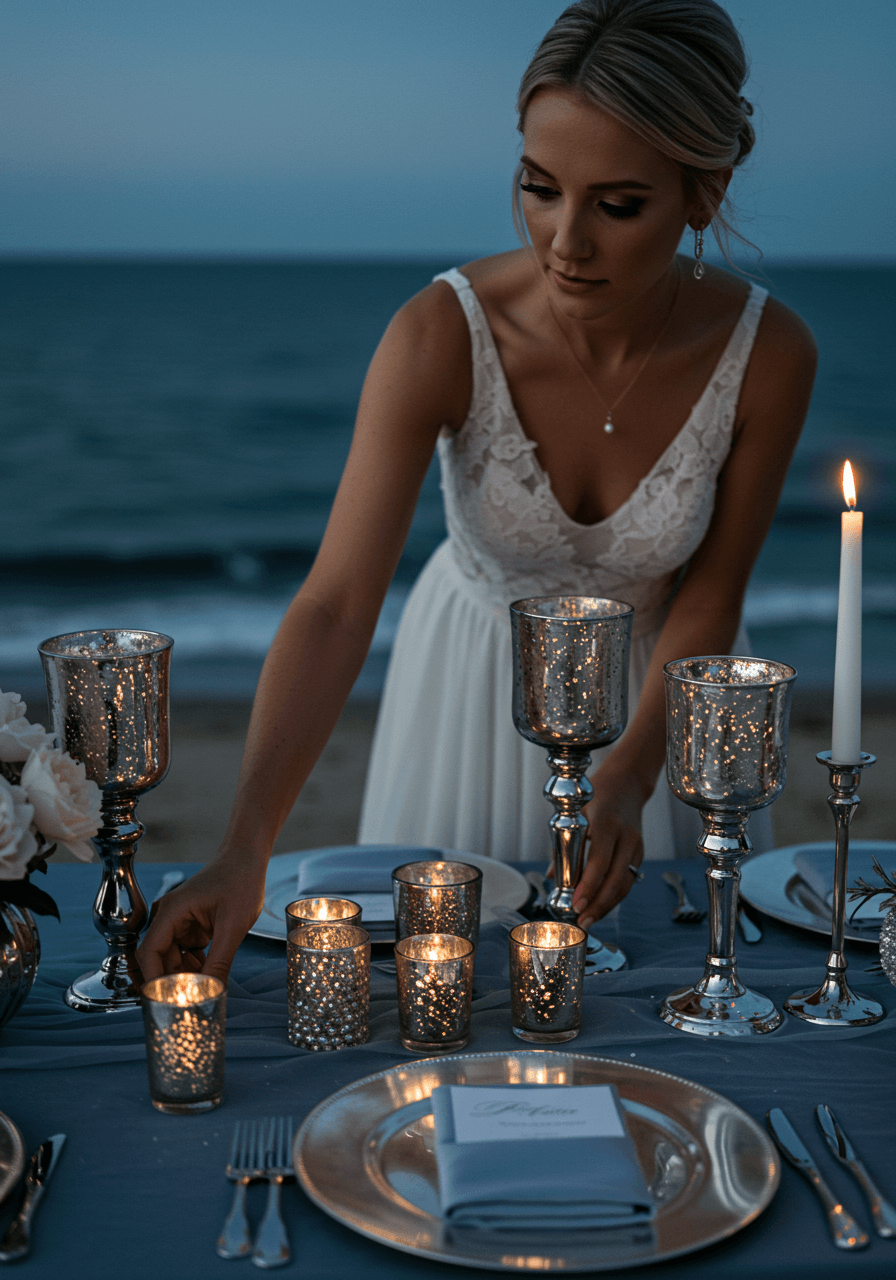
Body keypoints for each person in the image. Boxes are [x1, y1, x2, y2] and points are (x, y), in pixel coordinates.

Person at [137, 0, 816, 985]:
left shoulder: (768, 353)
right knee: (443, 1002)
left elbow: (710, 595)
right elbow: (333, 603)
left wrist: (628, 777)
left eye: (616, 204)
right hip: (465, 695)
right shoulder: (438, 333)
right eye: (538, 188)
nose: (564, 240)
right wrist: (246, 843)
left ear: (700, 194)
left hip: (654, 715)